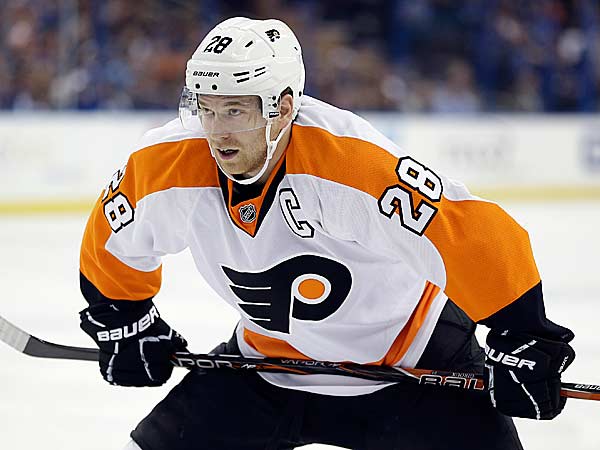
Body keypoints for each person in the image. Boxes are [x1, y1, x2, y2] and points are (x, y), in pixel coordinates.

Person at [78, 17, 576, 450]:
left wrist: (527, 338)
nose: (216, 131)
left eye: (235, 110)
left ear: (282, 107)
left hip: (413, 367)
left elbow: (473, 234)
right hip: (265, 367)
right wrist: (126, 320)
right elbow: (112, 240)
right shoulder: (168, 163)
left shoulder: (349, 164)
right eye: (206, 109)